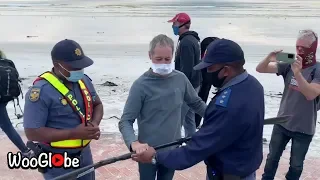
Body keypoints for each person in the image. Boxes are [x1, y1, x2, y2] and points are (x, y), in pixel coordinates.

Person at [131, 38, 265, 180]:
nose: (206, 73)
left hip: (227, 174)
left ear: (226, 70)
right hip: (246, 170)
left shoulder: (225, 106)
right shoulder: (254, 85)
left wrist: (154, 156)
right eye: (159, 59)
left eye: (210, 68)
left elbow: (192, 152)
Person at [118, 34, 207, 180]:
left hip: (172, 151)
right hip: (147, 153)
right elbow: (126, 121)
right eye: (158, 59)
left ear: (173, 56)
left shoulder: (181, 79)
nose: (163, 64)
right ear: (150, 56)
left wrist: (217, 117)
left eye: (167, 59)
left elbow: (196, 103)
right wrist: (133, 143)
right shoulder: (140, 85)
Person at [23, 39, 104, 180]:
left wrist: (94, 123)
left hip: (85, 156)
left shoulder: (83, 81)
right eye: (73, 67)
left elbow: (97, 105)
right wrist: (73, 133)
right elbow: (32, 132)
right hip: (58, 162)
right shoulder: (41, 91)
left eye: (81, 66)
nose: (79, 70)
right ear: (57, 65)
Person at [256, 29, 319, 180]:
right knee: (271, 159)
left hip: (304, 127)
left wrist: (297, 73)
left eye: (303, 48)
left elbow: (310, 94)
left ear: (313, 49)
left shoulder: (317, 69)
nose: (299, 51)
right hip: (282, 122)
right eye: (297, 47)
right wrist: (269, 58)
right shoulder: (290, 61)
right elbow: (260, 69)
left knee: (296, 165)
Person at [168, 12, 202, 137]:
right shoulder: (191, 39)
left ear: (182, 24)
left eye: (175, 23)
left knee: (178, 118)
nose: (173, 26)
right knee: (189, 117)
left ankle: (173, 146)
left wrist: (180, 87)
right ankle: (191, 143)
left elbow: (187, 69)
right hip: (194, 83)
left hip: (189, 85)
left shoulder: (186, 42)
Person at [0, 50, 33, 157]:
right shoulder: (6, 61)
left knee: (7, 126)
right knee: (6, 125)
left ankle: (25, 151)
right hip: (3, 98)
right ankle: (25, 150)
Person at [195, 37, 220, 128]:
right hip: (204, 78)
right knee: (200, 100)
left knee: (201, 100)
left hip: (205, 78)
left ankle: (197, 122)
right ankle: (196, 122)